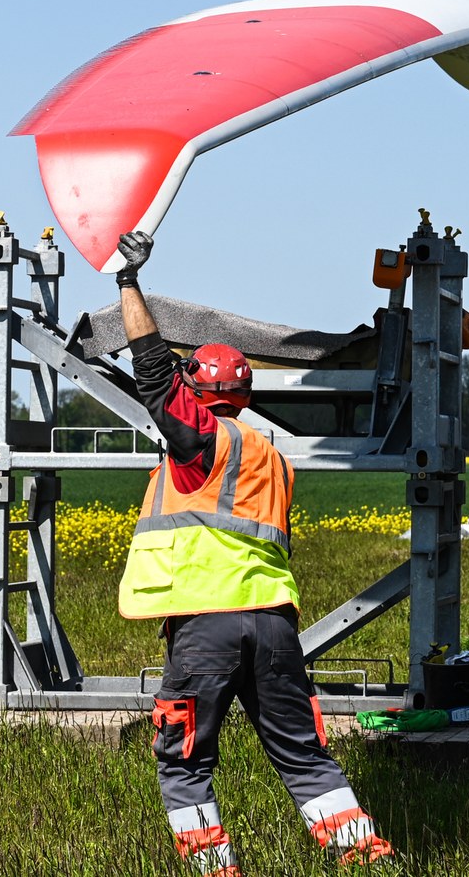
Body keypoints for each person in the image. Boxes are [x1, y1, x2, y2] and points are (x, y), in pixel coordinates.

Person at [111, 231, 394, 873]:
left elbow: (153, 374)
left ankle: (216, 870)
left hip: (206, 627)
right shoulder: (268, 455)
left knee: (183, 762)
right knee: (303, 755)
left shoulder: (202, 442)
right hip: (271, 624)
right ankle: (364, 857)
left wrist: (127, 283)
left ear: (199, 396)